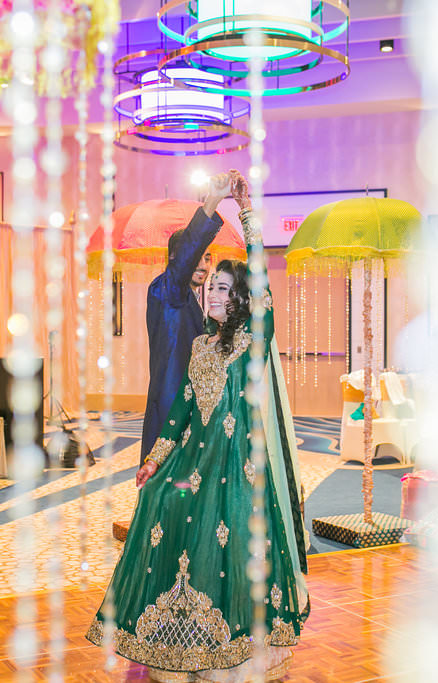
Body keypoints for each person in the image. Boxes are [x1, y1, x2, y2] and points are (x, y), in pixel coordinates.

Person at [87, 171, 309, 682]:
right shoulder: (167, 297)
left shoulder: (239, 339)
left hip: (229, 459)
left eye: (218, 276)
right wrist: (211, 205)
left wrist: (250, 222)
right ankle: (168, 633)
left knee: (216, 536)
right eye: (201, 263)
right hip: (179, 443)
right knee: (167, 520)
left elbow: (259, 293)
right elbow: (184, 405)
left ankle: (221, 638)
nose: (206, 272)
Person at [140, 172, 232, 466]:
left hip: (191, 404)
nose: (204, 265)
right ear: (176, 260)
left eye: (207, 258)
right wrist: (213, 200)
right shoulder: (166, 289)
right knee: (165, 478)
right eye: (196, 257)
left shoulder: (192, 299)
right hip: (170, 404)